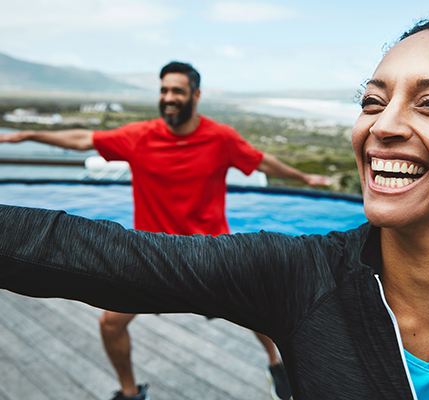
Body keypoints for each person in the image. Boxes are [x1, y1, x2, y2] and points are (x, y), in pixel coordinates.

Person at [0, 18, 429, 400]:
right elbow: (72, 251)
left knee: (271, 335)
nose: (383, 126)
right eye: (371, 100)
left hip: (210, 239)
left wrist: (303, 174)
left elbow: (263, 163)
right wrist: (23, 139)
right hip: (194, 257)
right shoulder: (296, 277)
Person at [0, 61, 330, 400]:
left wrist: (304, 178)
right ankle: (130, 393)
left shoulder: (221, 138)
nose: (169, 97)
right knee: (110, 324)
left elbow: (261, 161)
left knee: (262, 309)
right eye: (163, 90)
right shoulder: (138, 137)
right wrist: (29, 134)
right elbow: (84, 138)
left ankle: (276, 364)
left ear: (196, 95)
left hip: (211, 253)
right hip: (151, 255)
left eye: (177, 91)